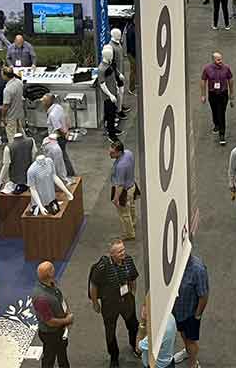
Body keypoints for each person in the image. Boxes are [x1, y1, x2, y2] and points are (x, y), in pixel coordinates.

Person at [89, 239, 141, 368]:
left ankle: (134, 346)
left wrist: (132, 293)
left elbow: (133, 278)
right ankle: (114, 357)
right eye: (119, 252)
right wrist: (95, 303)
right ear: (112, 254)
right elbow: (94, 285)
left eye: (123, 249)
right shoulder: (102, 266)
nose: (123, 253)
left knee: (133, 325)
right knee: (110, 332)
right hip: (110, 303)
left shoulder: (128, 260)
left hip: (126, 300)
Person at [171, 254, 209, 368]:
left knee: (191, 340)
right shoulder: (173, 263)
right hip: (177, 311)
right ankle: (187, 351)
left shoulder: (198, 269)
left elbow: (203, 296)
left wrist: (197, 316)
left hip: (190, 314)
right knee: (183, 334)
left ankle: (193, 363)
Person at [200, 52, 233, 145]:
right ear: (213, 60)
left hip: (223, 94)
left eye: (221, 59)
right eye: (218, 60)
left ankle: (222, 135)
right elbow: (203, 80)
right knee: (214, 111)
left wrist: (231, 93)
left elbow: (230, 80)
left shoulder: (226, 68)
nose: (220, 61)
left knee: (221, 113)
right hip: (213, 94)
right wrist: (203, 95)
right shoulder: (207, 69)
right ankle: (216, 124)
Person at [109, 140, 138, 241]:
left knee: (124, 213)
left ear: (120, 152)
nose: (110, 154)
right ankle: (133, 222)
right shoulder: (129, 153)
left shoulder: (120, 166)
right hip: (132, 185)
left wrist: (116, 199)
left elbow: (120, 186)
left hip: (124, 191)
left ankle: (129, 234)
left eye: (112, 153)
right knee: (131, 207)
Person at [42, 93, 73, 176]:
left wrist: (65, 135)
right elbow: (65, 118)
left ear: (47, 103)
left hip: (58, 138)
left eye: (44, 101)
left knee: (61, 157)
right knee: (63, 155)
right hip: (63, 135)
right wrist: (67, 130)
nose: (42, 103)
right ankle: (69, 172)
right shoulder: (58, 107)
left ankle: (68, 173)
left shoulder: (52, 115)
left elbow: (58, 129)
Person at [2, 65, 27, 139]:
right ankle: (26, 144)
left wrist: (3, 117)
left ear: (6, 76)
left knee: (12, 138)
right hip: (18, 114)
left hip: (11, 117)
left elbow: (6, 106)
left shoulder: (7, 90)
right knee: (21, 133)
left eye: (2, 74)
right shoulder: (19, 82)